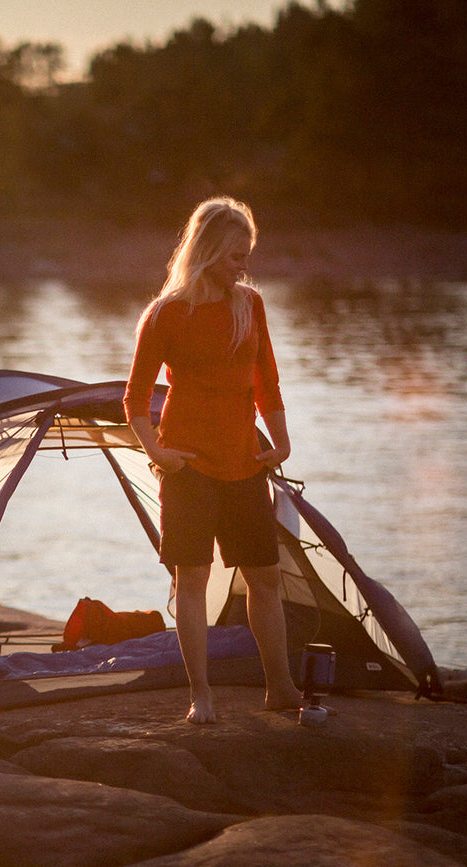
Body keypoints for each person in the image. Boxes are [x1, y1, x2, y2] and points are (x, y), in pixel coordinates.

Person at [123, 196, 304, 724]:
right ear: (204, 254)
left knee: (266, 578)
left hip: (245, 462)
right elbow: (134, 401)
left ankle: (281, 686)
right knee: (193, 579)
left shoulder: (251, 304)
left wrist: (282, 440)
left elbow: (265, 381)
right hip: (189, 467)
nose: (243, 266)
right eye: (233, 256)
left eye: (246, 255)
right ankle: (200, 693)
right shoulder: (165, 314)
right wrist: (157, 452)